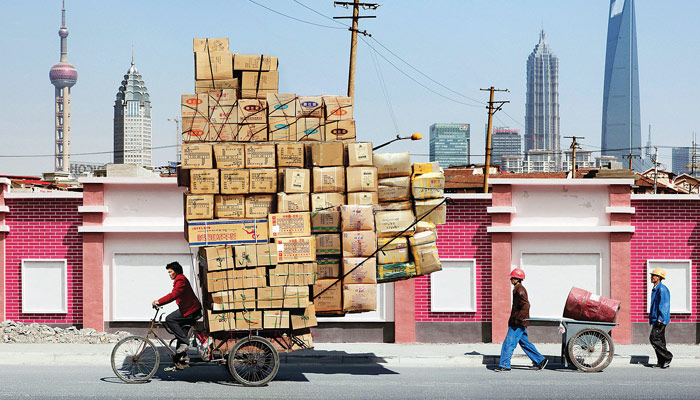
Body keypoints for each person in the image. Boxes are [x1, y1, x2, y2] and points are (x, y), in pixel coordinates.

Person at [495, 268, 548, 372]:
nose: (511, 279)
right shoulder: (518, 289)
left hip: (518, 323)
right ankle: (540, 360)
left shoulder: (520, 290)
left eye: (512, 278)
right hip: (519, 322)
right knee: (524, 343)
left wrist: (518, 319)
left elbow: (526, 305)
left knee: (508, 343)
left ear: (517, 279)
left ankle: (505, 365)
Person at [152, 262, 202, 359]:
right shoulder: (180, 279)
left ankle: (185, 342)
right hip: (189, 309)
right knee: (181, 333)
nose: (169, 274)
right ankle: (181, 358)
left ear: (176, 272)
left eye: (170, 272)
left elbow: (174, 295)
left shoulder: (180, 279)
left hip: (191, 310)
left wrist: (159, 301)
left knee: (170, 319)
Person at [649, 268, 673, 368]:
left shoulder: (661, 289)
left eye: (653, 275)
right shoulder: (656, 289)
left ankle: (667, 357)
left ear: (658, 278)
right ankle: (661, 362)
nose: (651, 277)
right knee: (661, 341)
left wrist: (660, 319)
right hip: (656, 319)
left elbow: (664, 305)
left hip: (660, 320)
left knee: (653, 338)